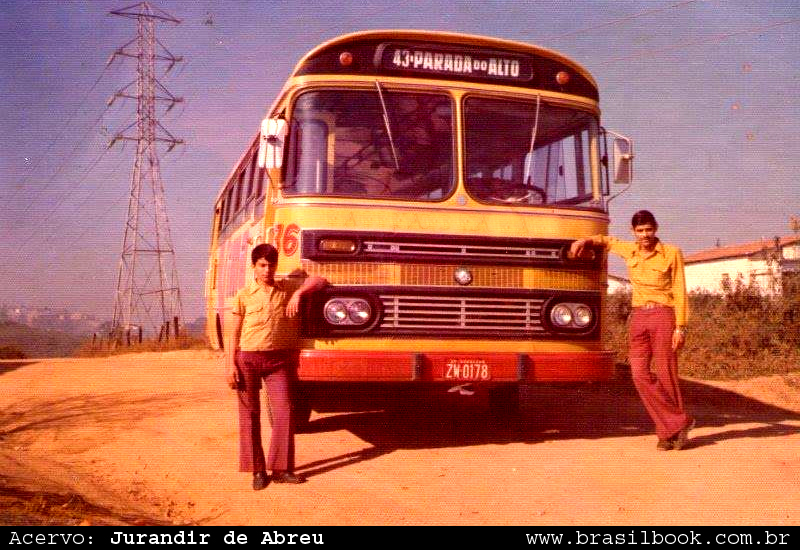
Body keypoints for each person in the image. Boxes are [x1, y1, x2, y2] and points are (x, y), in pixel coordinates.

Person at [569, 210, 694, 451]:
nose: (645, 235)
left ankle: (668, 433)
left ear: (656, 228)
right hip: (639, 317)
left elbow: (680, 290)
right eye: (640, 231)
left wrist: (681, 327)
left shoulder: (671, 253)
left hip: (663, 315)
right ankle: (679, 422)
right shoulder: (630, 250)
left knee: (666, 372)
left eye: (649, 230)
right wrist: (584, 240)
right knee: (638, 374)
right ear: (633, 232)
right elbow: (607, 241)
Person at [225, 243, 327, 489]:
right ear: (254, 266)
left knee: (284, 411)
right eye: (262, 265)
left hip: (277, 361)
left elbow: (320, 280)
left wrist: (298, 293)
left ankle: (281, 469)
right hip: (248, 359)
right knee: (250, 415)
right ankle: (258, 471)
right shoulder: (243, 295)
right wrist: (230, 365)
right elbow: (233, 334)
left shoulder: (286, 289)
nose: (267, 270)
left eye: (271, 265)